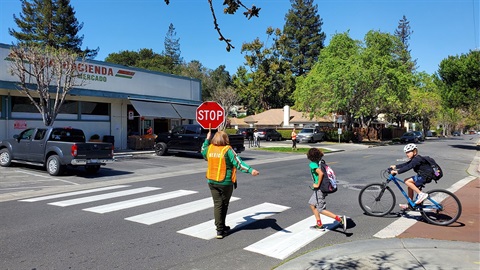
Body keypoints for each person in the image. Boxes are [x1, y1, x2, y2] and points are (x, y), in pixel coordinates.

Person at [201, 129, 260, 239]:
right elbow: (238, 163)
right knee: (224, 204)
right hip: (225, 182)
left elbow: (202, 151)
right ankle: (220, 228)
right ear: (225, 139)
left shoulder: (209, 148)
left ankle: (220, 228)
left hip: (211, 181)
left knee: (217, 204)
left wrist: (207, 139)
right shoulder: (227, 149)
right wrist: (250, 170)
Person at [306, 148, 347, 232]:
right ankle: (319, 224)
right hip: (321, 188)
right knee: (312, 204)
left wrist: (317, 184)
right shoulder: (320, 161)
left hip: (320, 189)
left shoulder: (312, 164)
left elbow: (320, 173)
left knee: (320, 209)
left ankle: (340, 219)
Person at [390, 143, 431, 210]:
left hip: (425, 176)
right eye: (406, 152)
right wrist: (396, 166)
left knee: (407, 181)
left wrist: (397, 171)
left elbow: (408, 167)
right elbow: (407, 164)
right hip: (423, 175)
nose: (407, 154)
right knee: (410, 186)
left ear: (414, 152)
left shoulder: (417, 159)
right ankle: (410, 204)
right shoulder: (415, 159)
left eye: (408, 152)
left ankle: (421, 194)